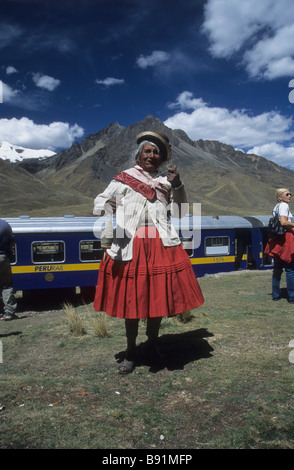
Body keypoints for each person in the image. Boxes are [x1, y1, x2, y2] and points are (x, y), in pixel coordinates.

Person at [93, 130, 204, 374]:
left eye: (156, 152)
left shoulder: (166, 182)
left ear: (162, 157)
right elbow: (99, 201)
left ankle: (152, 345)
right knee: (132, 302)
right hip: (129, 244)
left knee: (157, 300)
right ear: (139, 154)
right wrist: (106, 204)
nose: (152, 155)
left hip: (160, 245)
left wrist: (177, 184)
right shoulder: (123, 179)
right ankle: (131, 351)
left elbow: (180, 212)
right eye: (147, 151)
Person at [265, 188, 294, 303]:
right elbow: (283, 222)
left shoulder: (276, 207)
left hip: (277, 240)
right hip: (286, 240)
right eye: (287, 194)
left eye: (290, 194)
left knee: (277, 268)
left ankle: (276, 294)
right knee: (291, 269)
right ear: (279, 197)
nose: (290, 196)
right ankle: (292, 297)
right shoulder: (284, 206)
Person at [0, 218, 18, 321]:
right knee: (7, 285)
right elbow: (12, 243)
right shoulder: (5, 224)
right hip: (3, 258)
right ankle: (8, 312)